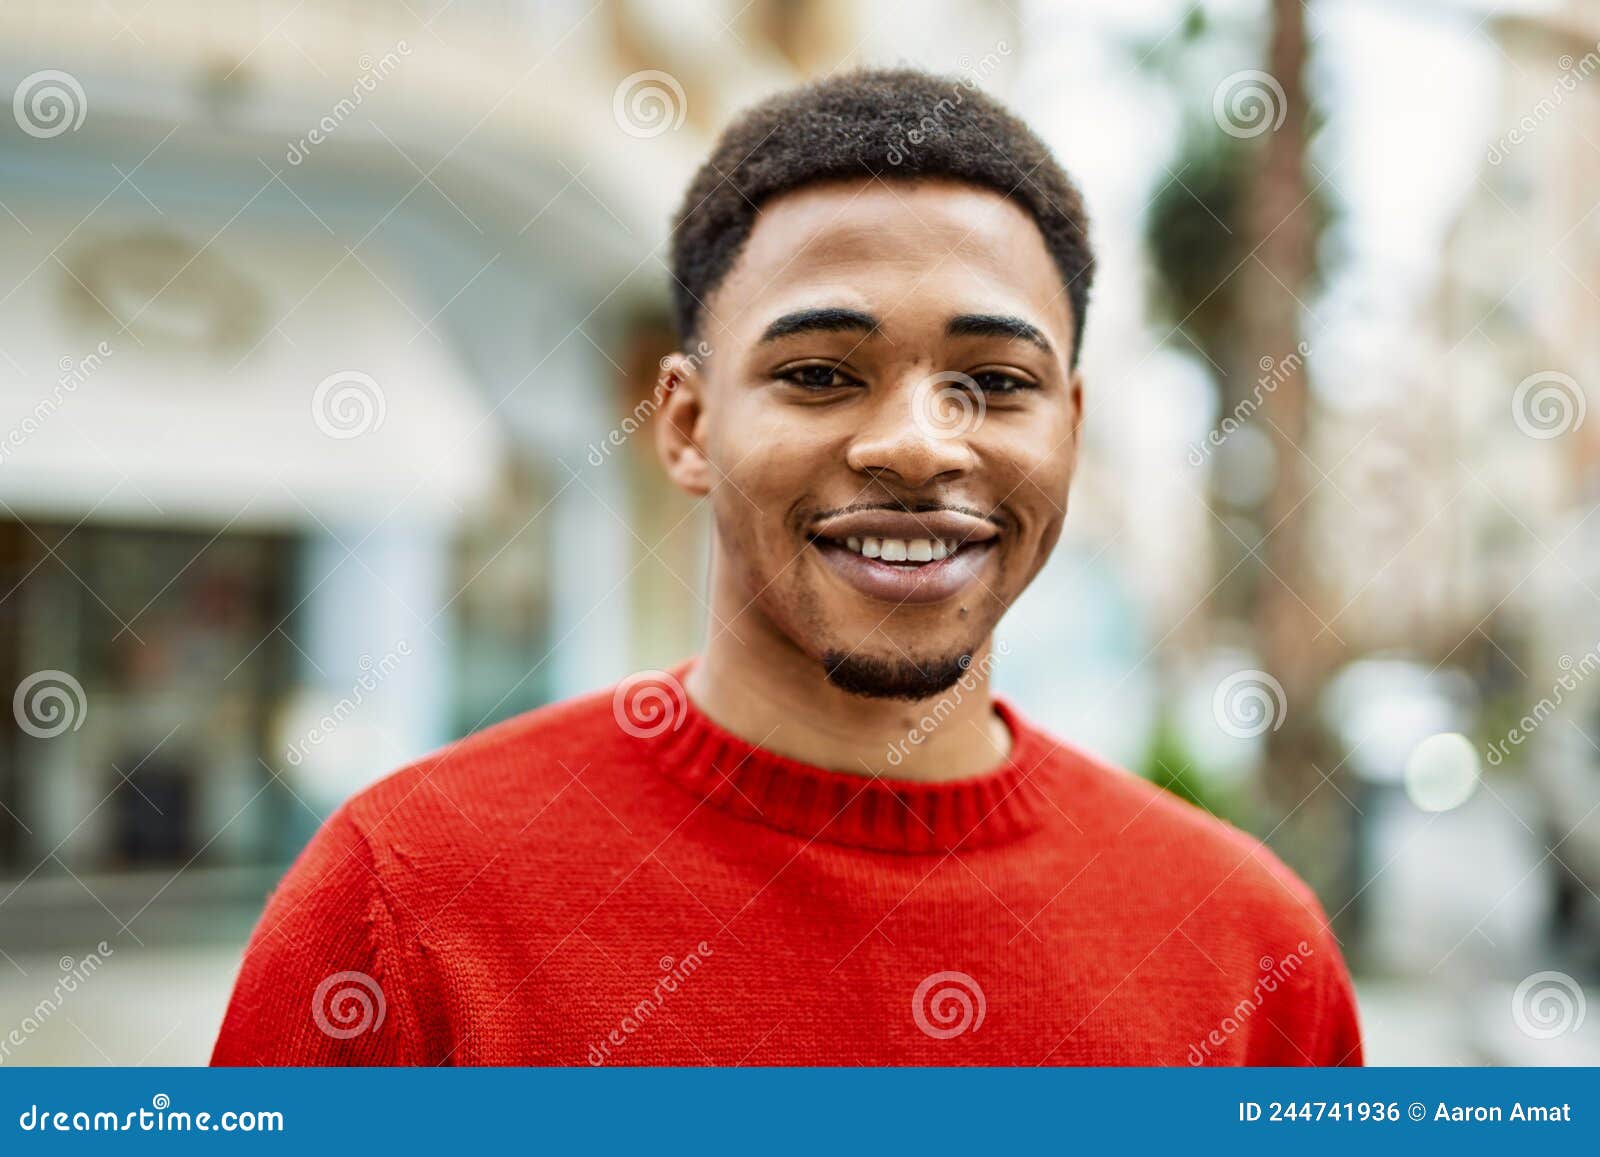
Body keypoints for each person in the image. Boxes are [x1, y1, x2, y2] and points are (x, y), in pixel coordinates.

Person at [212, 68, 1362, 1066]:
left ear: (1068, 426)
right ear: (686, 426)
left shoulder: (1250, 948)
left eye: (996, 382)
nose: (916, 443)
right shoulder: (403, 894)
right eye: (818, 372)